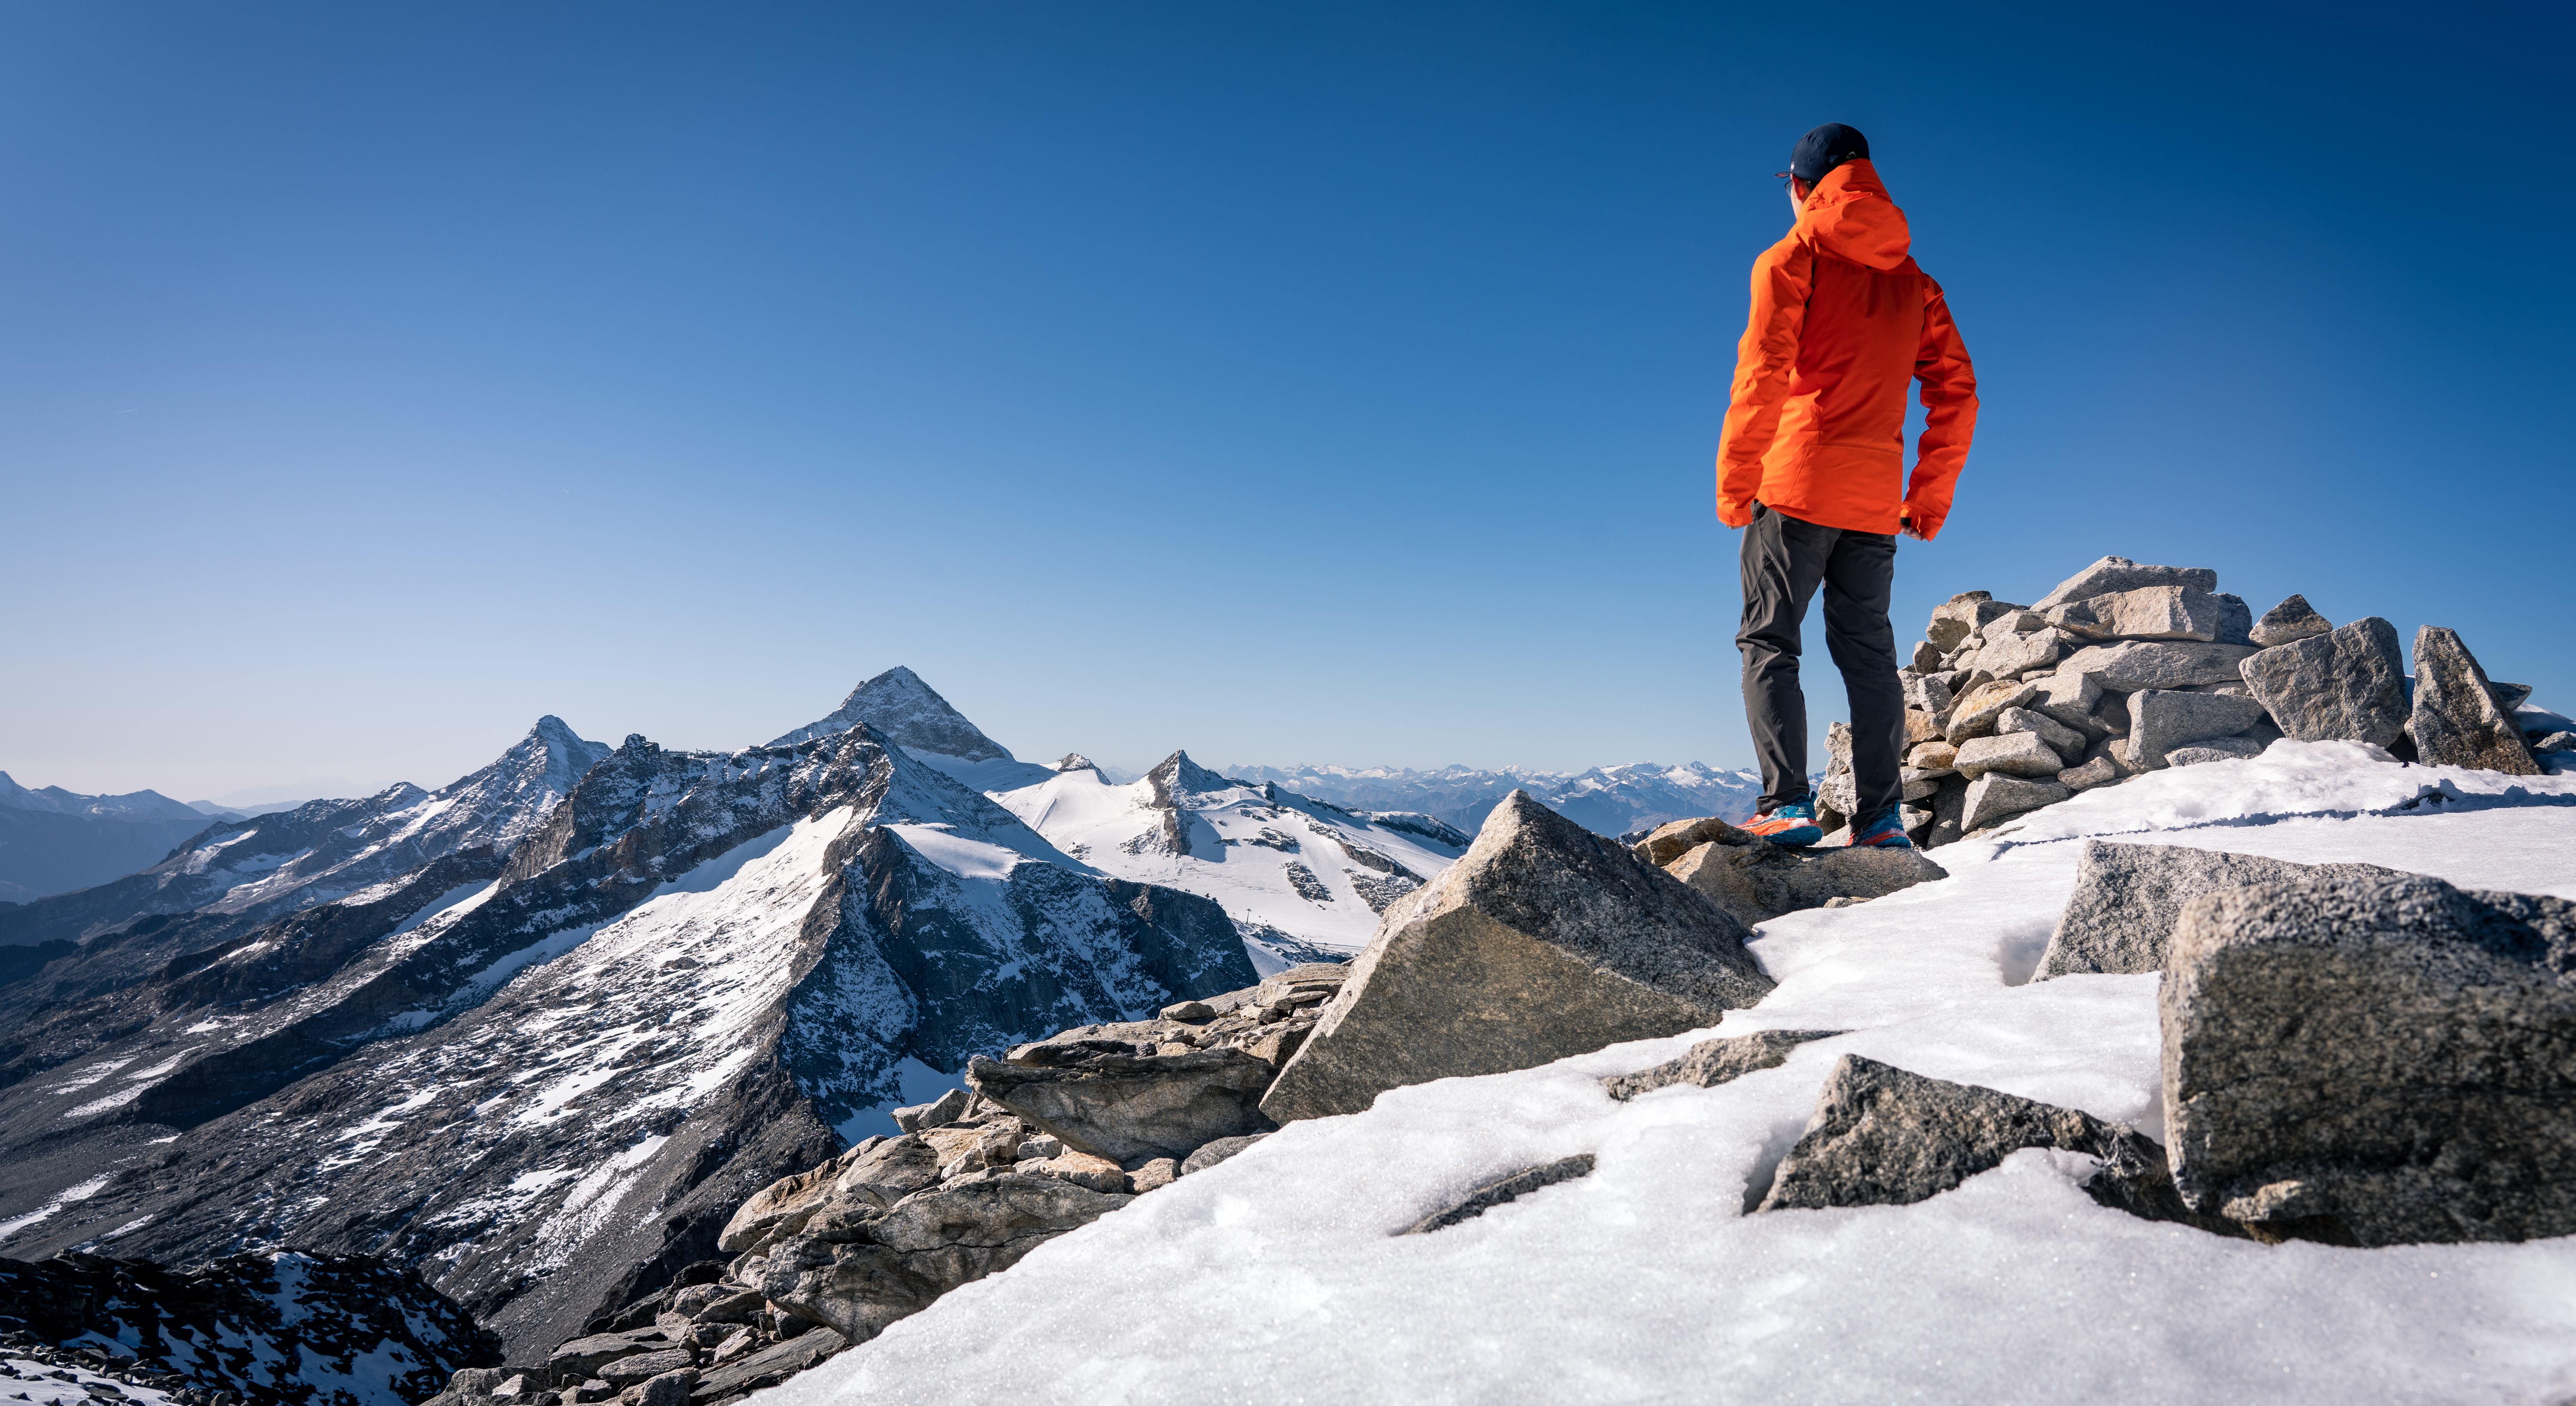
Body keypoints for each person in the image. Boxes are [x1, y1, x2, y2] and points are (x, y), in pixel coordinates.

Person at [1714, 123, 1978, 850]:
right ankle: (1881, 820)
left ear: (1801, 187)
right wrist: (1926, 497)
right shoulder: (1915, 283)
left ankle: (1787, 804)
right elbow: (1958, 395)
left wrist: (1737, 482)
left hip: (1794, 490)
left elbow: (1762, 376)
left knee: (1769, 641)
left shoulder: (1790, 258)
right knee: (1868, 656)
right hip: (1874, 503)